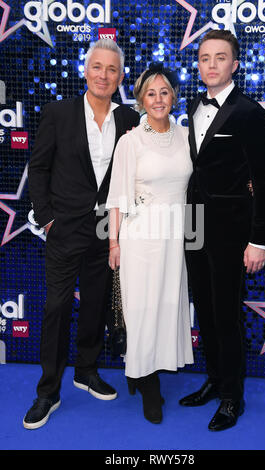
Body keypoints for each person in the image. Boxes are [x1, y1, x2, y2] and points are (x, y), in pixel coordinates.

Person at [23, 39, 140, 430]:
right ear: (84, 71)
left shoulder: (128, 119)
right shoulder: (58, 113)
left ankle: (86, 370)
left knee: (95, 304)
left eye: (112, 69)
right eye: (97, 67)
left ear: (120, 77)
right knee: (56, 307)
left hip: (107, 231)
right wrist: (47, 217)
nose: (104, 75)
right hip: (64, 229)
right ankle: (47, 391)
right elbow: (37, 169)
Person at [180, 30, 265, 431]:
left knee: (226, 313)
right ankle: (215, 380)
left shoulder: (250, 112)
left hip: (232, 231)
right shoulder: (191, 104)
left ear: (235, 64)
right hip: (193, 226)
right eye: (205, 58)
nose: (212, 64)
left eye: (221, 58)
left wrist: (258, 239)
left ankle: (233, 397)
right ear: (198, 64)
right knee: (203, 306)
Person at [106, 63, 194, 424]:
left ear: (173, 95)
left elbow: (210, 173)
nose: (158, 99)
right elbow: (117, 197)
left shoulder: (187, 135)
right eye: (150, 93)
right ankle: (147, 383)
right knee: (142, 311)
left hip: (176, 236)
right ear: (141, 99)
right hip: (140, 237)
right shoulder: (130, 140)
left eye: (164, 92)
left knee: (167, 305)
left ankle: (142, 370)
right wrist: (113, 244)